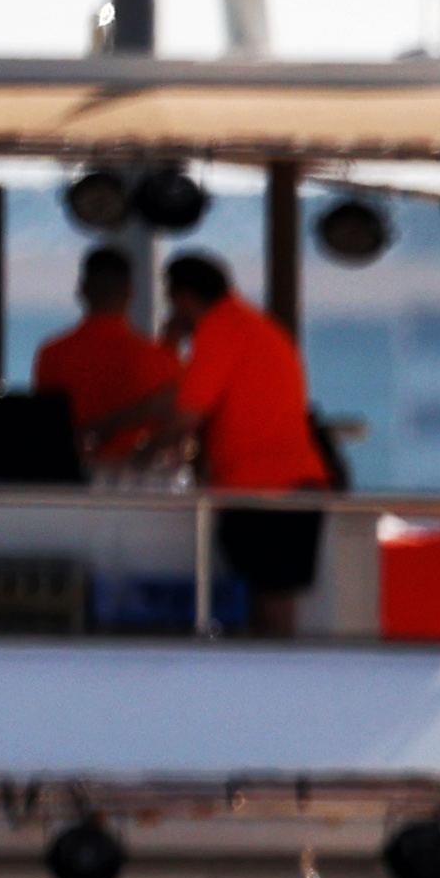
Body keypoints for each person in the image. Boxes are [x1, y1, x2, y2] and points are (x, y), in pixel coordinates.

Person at [156, 251, 331, 631]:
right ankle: (273, 681)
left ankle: (274, 683)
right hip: (284, 485)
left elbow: (186, 414)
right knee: (268, 599)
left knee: (268, 601)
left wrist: (143, 456)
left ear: (183, 298)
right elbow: (182, 395)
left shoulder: (219, 331)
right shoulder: (246, 325)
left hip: (263, 490)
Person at [33, 243, 185, 475]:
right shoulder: (160, 359)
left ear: (83, 290)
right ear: (130, 292)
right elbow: (176, 427)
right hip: (141, 480)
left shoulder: (51, 354)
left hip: (73, 477)